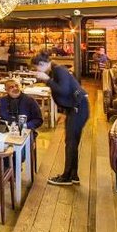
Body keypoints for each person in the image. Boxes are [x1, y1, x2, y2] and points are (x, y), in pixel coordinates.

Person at [31, 51, 89, 186]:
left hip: (78, 108)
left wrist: (47, 80)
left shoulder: (59, 70)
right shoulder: (55, 71)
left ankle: (66, 177)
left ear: (41, 64)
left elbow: (63, 90)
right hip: (76, 108)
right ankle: (73, 175)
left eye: (36, 68)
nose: (36, 71)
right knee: (72, 143)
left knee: (71, 143)